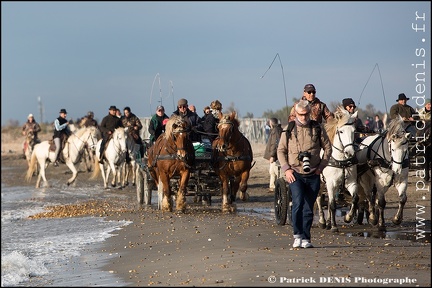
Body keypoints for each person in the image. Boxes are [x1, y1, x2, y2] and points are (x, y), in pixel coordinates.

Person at [277, 99, 332, 249]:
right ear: (295, 114)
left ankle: (306, 238)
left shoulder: (317, 128)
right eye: (301, 114)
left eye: (306, 114)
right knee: (298, 203)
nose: (304, 117)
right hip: (295, 173)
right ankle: (297, 235)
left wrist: (321, 166)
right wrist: (286, 169)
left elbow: (328, 149)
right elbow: (280, 151)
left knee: (309, 207)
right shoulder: (289, 129)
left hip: (314, 173)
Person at [263, 118, 282, 193]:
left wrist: (272, 156)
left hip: (275, 156)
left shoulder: (275, 131)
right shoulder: (276, 130)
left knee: (274, 171)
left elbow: (274, 144)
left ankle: (274, 187)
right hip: (276, 155)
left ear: (271, 123)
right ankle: (272, 186)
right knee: (272, 171)